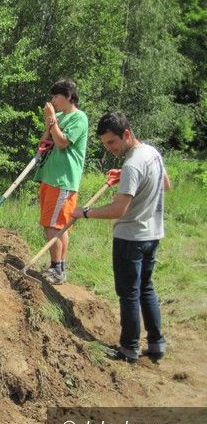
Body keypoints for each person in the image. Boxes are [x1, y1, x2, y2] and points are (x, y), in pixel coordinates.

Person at [72, 112, 170, 364]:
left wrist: (85, 212)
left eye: (112, 142)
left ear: (127, 134)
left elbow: (118, 210)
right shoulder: (152, 153)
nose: (109, 148)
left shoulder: (132, 164)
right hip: (152, 235)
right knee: (146, 287)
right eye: (106, 144)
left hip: (131, 239)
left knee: (129, 294)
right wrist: (127, 179)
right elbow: (164, 185)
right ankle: (157, 344)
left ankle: (129, 348)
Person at [33, 79, 88, 284]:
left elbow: (62, 142)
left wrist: (53, 121)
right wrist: (49, 123)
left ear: (69, 96)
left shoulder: (79, 117)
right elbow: (46, 142)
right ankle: (59, 267)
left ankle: (56, 269)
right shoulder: (60, 117)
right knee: (56, 225)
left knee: (53, 225)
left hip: (62, 180)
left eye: (57, 96)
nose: (53, 100)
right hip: (49, 177)